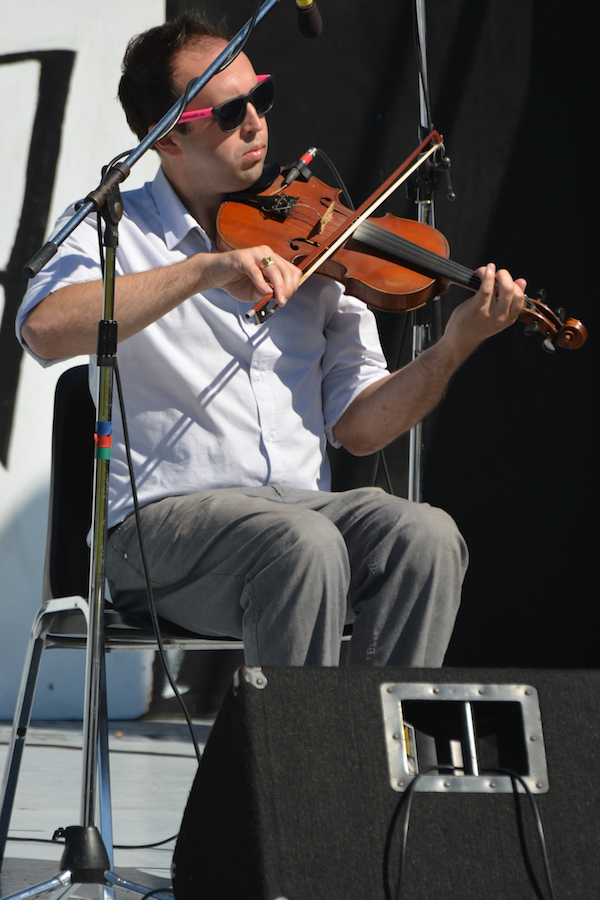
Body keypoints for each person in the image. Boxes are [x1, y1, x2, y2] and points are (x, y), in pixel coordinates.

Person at [16, 14, 525, 669]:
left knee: (426, 536)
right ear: (168, 139)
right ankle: (294, 766)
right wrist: (205, 271)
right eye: (229, 113)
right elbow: (44, 328)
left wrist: (454, 347)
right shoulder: (117, 226)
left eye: (261, 95)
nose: (256, 120)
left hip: (299, 514)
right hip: (161, 528)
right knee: (301, 543)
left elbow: (363, 428)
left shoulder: (310, 233)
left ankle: (369, 758)